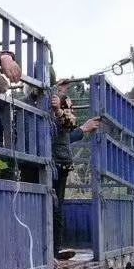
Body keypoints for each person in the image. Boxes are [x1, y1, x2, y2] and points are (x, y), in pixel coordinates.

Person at [51, 82, 101, 258]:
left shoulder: (56, 118)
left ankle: (54, 250)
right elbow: (68, 128)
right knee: (54, 209)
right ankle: (54, 251)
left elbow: (66, 134)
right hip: (56, 166)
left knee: (56, 208)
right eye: (69, 107)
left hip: (60, 166)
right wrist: (83, 128)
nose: (72, 111)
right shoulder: (56, 118)